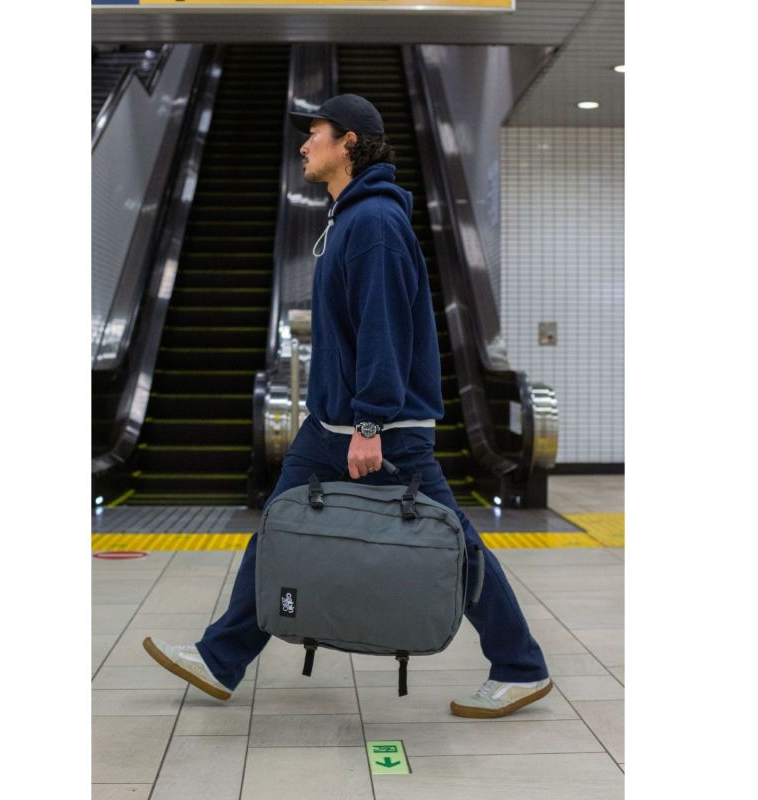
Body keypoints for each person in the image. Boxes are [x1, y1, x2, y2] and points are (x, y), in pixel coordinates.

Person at [144, 94, 552, 719]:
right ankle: (221, 659)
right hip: (329, 425)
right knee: (278, 528)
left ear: (349, 143)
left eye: (316, 133)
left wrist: (370, 422)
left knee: (451, 543)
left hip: (382, 429)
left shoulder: (375, 224)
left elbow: (385, 328)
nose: (304, 145)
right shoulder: (349, 219)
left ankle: (521, 666)